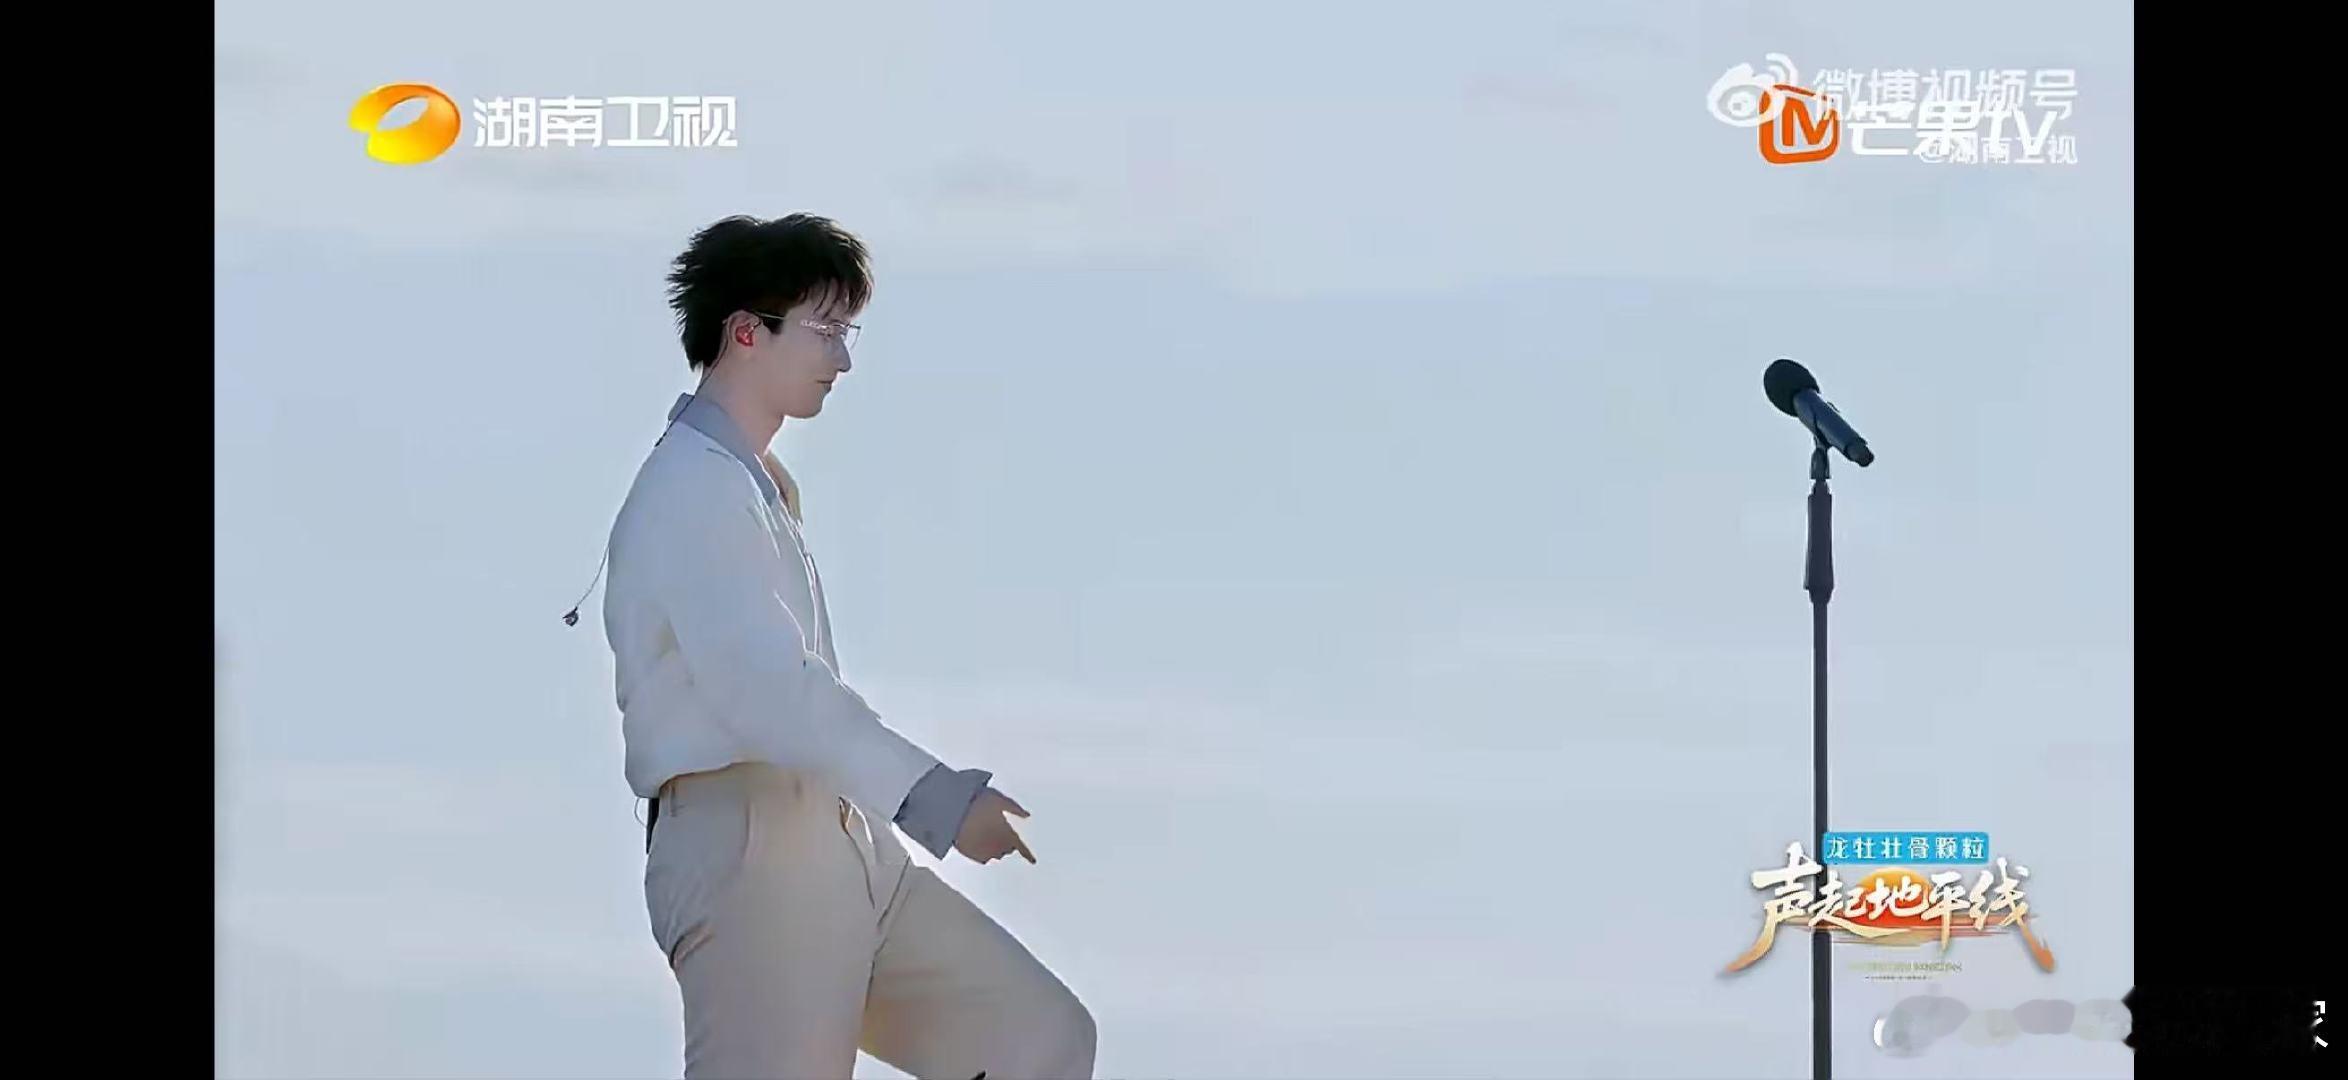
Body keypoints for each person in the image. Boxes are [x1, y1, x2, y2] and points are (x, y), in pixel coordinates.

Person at [596, 213, 1097, 1078]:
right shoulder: (690, 487)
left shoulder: (754, 484)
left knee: (1040, 1040)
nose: (843, 358)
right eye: (825, 329)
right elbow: (769, 691)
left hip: (847, 843)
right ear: (746, 333)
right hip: (748, 848)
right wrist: (935, 798)